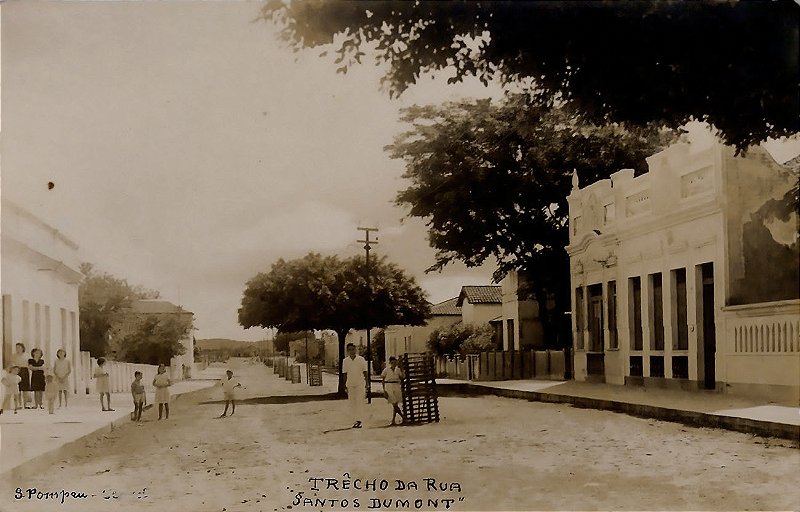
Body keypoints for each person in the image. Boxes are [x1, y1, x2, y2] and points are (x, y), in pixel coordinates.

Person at [342, 343, 368, 429]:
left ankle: (359, 420)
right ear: (347, 351)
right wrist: (344, 385)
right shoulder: (345, 361)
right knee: (352, 403)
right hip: (350, 384)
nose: (351, 351)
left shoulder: (361, 359)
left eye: (353, 349)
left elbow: (365, 372)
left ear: (355, 350)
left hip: (360, 383)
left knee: (359, 402)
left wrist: (367, 384)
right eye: (349, 350)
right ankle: (355, 421)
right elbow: (345, 374)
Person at [380, 356, 405, 426]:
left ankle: (393, 420)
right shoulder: (386, 370)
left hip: (396, 385)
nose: (394, 364)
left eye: (395, 362)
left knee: (395, 404)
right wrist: (384, 390)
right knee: (393, 403)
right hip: (389, 386)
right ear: (390, 363)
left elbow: (402, 377)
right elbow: (382, 380)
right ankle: (403, 417)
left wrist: (402, 370)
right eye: (392, 362)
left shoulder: (398, 370)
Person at [13, 343, 31, 409]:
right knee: (18, 388)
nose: (18, 349)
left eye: (19, 347)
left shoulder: (26, 355)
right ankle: (19, 404)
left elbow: (29, 365)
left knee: (25, 389)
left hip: (25, 371)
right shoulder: (14, 356)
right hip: (17, 371)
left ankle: (25, 404)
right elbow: (12, 364)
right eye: (16, 347)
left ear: (22, 348)